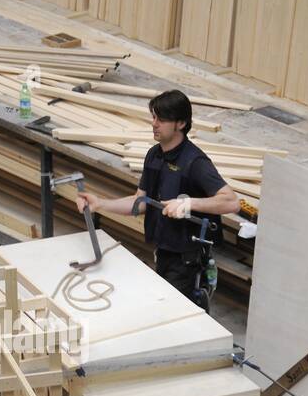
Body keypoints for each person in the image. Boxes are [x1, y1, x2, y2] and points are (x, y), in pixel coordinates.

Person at [74, 89, 239, 306]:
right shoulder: (154, 155)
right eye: (153, 117)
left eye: (161, 119)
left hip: (186, 261)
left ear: (180, 124)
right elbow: (140, 202)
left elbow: (231, 201)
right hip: (163, 251)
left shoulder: (195, 163)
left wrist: (188, 203)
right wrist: (101, 203)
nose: (154, 123)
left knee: (175, 312)